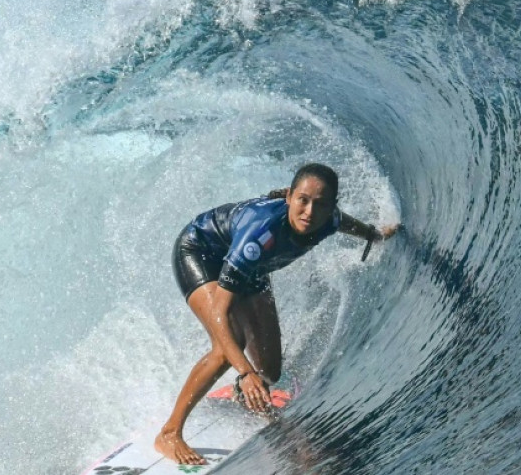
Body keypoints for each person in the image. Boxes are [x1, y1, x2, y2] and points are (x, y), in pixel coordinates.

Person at [154, 163, 401, 465]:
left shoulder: (328, 219)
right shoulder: (259, 236)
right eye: (303, 200)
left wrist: (374, 235)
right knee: (227, 346)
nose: (309, 211)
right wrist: (244, 372)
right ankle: (169, 432)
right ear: (289, 197)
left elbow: (343, 222)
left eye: (320, 204)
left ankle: (245, 393)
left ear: (331, 206)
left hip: (251, 267)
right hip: (202, 251)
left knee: (270, 371)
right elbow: (220, 311)